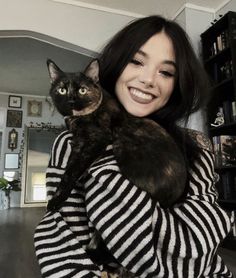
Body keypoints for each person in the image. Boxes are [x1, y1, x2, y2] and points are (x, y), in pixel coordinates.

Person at [34, 15, 234, 277]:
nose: (149, 79)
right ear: (116, 65)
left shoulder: (197, 148)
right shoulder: (71, 144)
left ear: (176, 84)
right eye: (137, 61)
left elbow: (198, 253)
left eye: (166, 72)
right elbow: (63, 243)